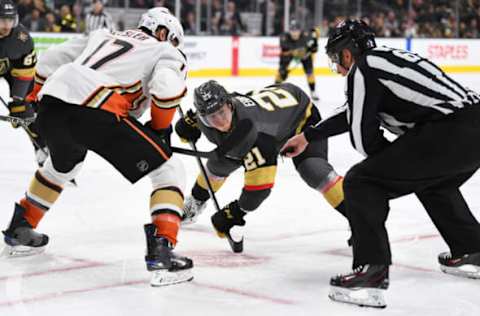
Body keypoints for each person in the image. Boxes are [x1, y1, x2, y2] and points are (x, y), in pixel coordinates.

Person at [282, 19, 480, 308]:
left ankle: (370, 272)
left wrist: (387, 163)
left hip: (449, 132)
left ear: (347, 54)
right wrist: (308, 136)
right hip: (471, 128)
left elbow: (362, 138)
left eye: (336, 59)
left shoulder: (362, 69)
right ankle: (473, 250)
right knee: (433, 183)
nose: (337, 68)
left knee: (361, 182)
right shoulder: (383, 60)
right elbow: (352, 110)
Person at [2, 7, 193, 287]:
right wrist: (160, 130)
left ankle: (21, 227)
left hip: (53, 103)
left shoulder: (102, 35)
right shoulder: (166, 50)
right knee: (169, 169)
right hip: (98, 108)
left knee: (62, 165)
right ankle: (163, 249)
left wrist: (32, 97)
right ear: (164, 33)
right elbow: (167, 88)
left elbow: (49, 61)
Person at [174, 80, 349, 245]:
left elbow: (259, 189)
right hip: (271, 116)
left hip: (300, 118)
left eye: (222, 113)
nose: (221, 122)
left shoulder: (255, 135)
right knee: (220, 164)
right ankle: (196, 201)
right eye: (212, 117)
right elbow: (213, 106)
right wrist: (191, 122)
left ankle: (360, 215)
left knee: (314, 170)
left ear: (229, 106)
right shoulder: (218, 108)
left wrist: (236, 211)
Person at [0, 0, 46, 162]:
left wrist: (18, 99)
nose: (7, 25)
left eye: (10, 20)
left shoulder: (22, 39)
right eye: (2, 20)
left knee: (26, 109)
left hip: (14, 70)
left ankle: (42, 147)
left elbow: (25, 74)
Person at [274, 20, 320, 101]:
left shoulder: (306, 35)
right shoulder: (284, 37)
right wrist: (284, 70)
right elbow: (284, 52)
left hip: (305, 55)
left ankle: (313, 91)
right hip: (289, 54)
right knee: (281, 72)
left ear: (300, 31)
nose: (294, 33)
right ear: (289, 31)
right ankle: (275, 87)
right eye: (292, 31)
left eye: (296, 31)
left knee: (310, 72)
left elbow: (315, 38)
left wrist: (314, 46)